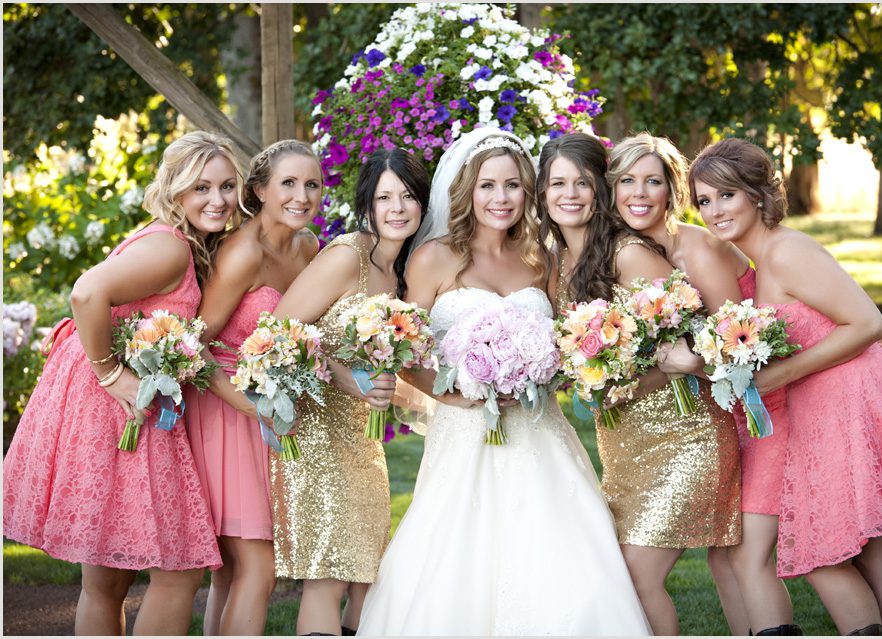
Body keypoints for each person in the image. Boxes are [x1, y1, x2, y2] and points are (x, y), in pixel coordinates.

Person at [356, 127, 651, 636]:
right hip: (463, 429)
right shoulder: (434, 258)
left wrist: (537, 375)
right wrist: (459, 391)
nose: (500, 198)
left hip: (538, 431)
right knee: (454, 551)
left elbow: (564, 347)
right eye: (488, 186)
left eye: (512, 186)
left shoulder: (542, 258)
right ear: (468, 189)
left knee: (556, 554)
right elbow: (401, 348)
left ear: (527, 192)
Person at [689, 136, 882, 636]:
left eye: (726, 195)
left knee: (832, 558)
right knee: (863, 565)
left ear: (756, 192)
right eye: (704, 200)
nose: (715, 210)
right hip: (822, 413)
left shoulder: (788, 252)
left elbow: (868, 323)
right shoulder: (756, 261)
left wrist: (780, 375)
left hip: (855, 406)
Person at [3, 131, 243, 635]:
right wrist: (111, 373)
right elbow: (87, 292)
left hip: (103, 402)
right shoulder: (170, 249)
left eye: (226, 187)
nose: (218, 200)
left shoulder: (171, 240)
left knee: (106, 582)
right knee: (179, 570)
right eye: (201, 188)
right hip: (117, 404)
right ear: (175, 190)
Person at [551, 131, 740, 635]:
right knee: (636, 575)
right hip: (623, 444)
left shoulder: (629, 253)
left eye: (652, 180)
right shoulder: (562, 262)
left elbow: (698, 338)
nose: (637, 191)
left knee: (636, 578)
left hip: (684, 434)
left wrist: (631, 382)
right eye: (628, 180)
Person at [269, 147, 426, 636]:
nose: (397, 208)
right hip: (315, 433)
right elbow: (277, 335)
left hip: (361, 437)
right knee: (332, 571)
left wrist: (387, 386)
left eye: (406, 196)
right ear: (368, 205)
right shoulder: (347, 256)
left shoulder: (402, 272)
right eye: (384, 197)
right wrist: (347, 378)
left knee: (367, 573)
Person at [184, 139, 323, 635]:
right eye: (288, 183)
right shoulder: (242, 253)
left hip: (269, 403)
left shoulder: (309, 247)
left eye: (312, 184)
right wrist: (249, 405)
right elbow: (192, 345)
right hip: (225, 405)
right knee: (259, 567)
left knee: (234, 570)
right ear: (259, 191)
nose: (302, 196)